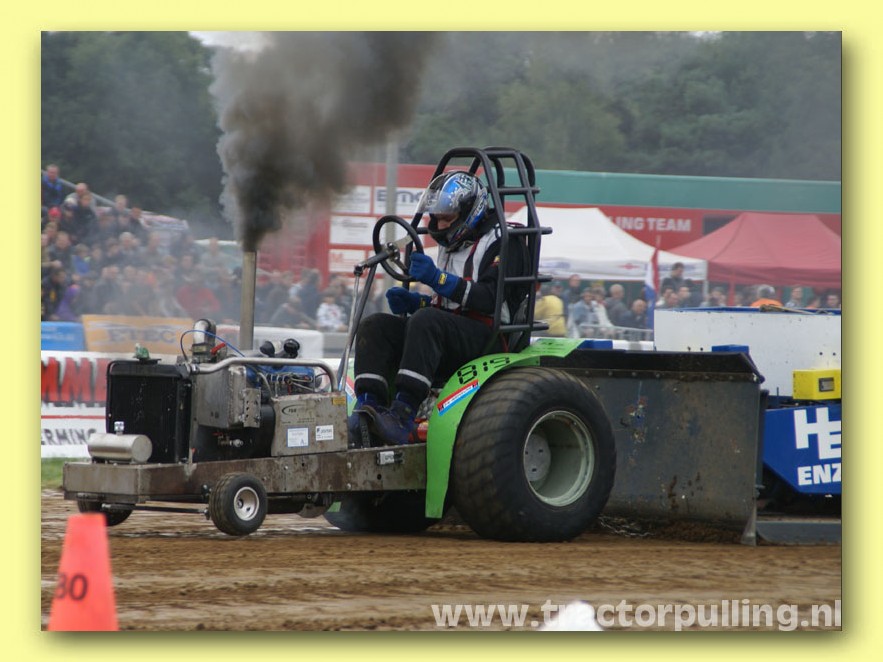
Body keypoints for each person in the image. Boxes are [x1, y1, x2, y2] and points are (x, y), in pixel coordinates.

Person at [348, 170, 528, 446]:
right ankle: (368, 408)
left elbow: (488, 300)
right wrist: (416, 301)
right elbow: (446, 306)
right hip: (448, 331)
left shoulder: (505, 241)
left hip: (489, 335)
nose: (439, 225)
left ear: (470, 212)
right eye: (436, 218)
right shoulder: (449, 243)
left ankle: (403, 414)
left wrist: (437, 279)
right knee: (376, 326)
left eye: (446, 218)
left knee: (426, 321)